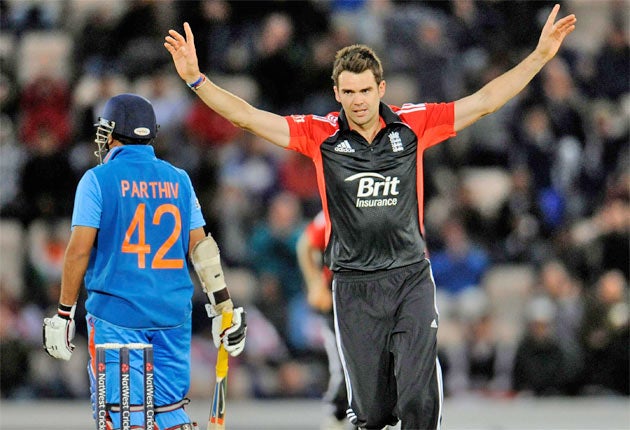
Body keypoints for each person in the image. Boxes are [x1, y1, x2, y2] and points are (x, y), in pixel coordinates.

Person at [164, 5, 576, 429]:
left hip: (410, 277)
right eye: (349, 92)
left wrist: (542, 55)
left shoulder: (412, 126)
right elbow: (247, 118)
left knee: (418, 399)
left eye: (365, 90)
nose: (358, 101)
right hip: (353, 286)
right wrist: (197, 79)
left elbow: (485, 102)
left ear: (380, 88)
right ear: (337, 94)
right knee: (372, 413)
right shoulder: (320, 134)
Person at [42, 93, 247, 430]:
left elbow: (78, 250)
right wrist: (223, 308)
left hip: (117, 318)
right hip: (172, 317)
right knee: (170, 417)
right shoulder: (179, 179)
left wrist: (65, 313)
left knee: (126, 421)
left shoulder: (97, 179)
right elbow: (203, 250)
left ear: (111, 133)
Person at [296, 210, 350, 430]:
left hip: (375, 298)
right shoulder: (335, 209)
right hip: (339, 298)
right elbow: (305, 244)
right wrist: (315, 284)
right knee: (344, 366)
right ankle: (336, 417)